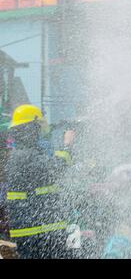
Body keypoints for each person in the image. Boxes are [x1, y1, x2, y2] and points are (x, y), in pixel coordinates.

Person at [5, 104, 69, 259]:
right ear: (30, 129)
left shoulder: (22, 155)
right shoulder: (24, 157)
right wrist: (66, 145)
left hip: (38, 232)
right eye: (38, 128)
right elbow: (56, 167)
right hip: (39, 234)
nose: (41, 132)